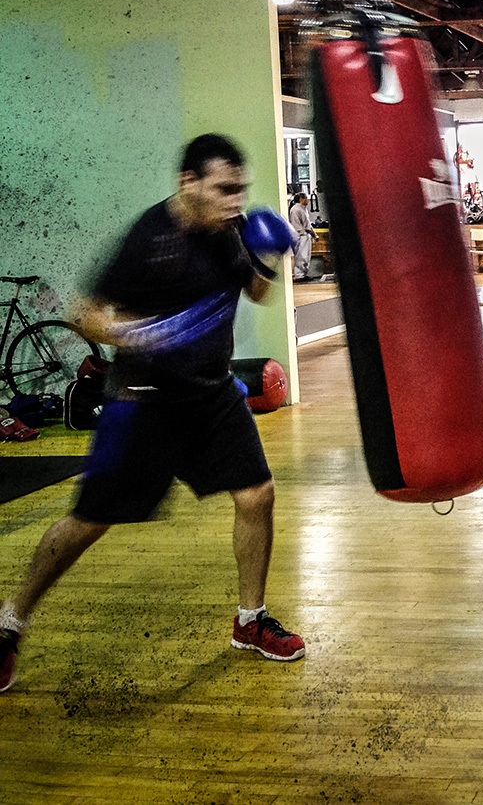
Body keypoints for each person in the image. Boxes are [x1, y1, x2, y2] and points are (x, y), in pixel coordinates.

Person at [0, 134, 305, 694]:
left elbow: (257, 294)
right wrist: (141, 334)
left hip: (211, 394)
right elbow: (86, 316)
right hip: (144, 400)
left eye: (242, 189)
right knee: (89, 521)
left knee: (257, 494)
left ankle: (249, 621)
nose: (236, 201)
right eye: (224, 189)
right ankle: (9, 623)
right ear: (188, 182)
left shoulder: (233, 231)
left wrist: (268, 253)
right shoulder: (149, 238)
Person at [288, 191, 316, 281]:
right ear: (301, 199)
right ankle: (299, 275)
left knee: (303, 256)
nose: (307, 200)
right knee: (302, 256)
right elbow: (307, 225)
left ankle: (302, 274)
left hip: (300, 235)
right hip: (301, 235)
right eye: (306, 198)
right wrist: (314, 234)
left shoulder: (299, 208)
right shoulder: (298, 209)